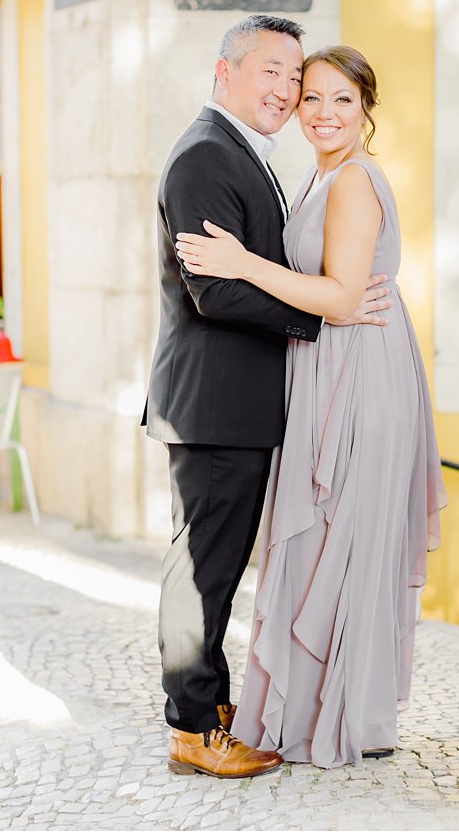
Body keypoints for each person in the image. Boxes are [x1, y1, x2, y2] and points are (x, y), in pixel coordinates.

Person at [176, 44, 445, 769]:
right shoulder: (318, 172)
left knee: (343, 537)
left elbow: (339, 295)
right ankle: (310, 704)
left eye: (342, 101)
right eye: (312, 99)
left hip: (359, 374)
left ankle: (339, 717)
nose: (324, 113)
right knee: (327, 538)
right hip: (330, 363)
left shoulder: (353, 180)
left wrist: (240, 263)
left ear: (366, 110)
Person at [146, 16, 391, 780]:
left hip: (236, 403)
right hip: (214, 404)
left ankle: (207, 698)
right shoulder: (205, 156)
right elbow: (215, 292)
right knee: (201, 570)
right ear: (226, 72)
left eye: (298, 78)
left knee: (211, 564)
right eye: (273, 73)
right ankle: (191, 727)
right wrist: (321, 314)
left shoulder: (245, 153)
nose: (287, 92)